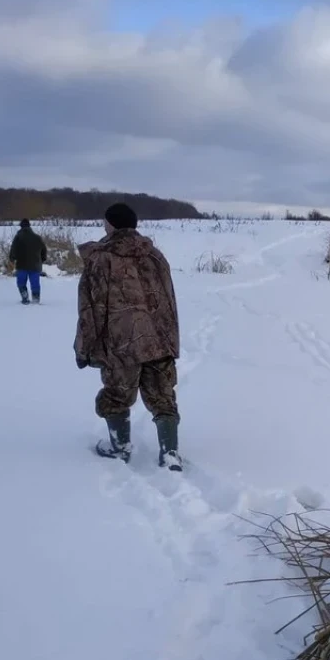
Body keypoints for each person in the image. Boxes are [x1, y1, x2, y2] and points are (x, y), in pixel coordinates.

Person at [74, 202, 182, 471]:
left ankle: (120, 449)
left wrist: (83, 348)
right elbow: (170, 303)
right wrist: (170, 342)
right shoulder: (156, 256)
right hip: (159, 342)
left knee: (116, 396)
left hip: (122, 345)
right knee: (163, 397)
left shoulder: (100, 259)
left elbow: (91, 310)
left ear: (110, 224)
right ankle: (170, 454)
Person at [9, 219, 47, 304]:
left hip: (22, 264)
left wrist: (12, 258)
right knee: (35, 283)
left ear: (21, 226)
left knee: (21, 282)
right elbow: (43, 250)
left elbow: (13, 250)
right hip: (35, 265)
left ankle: (25, 296)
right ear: (29, 226)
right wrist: (42, 259)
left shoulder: (18, 237)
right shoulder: (37, 237)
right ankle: (36, 299)